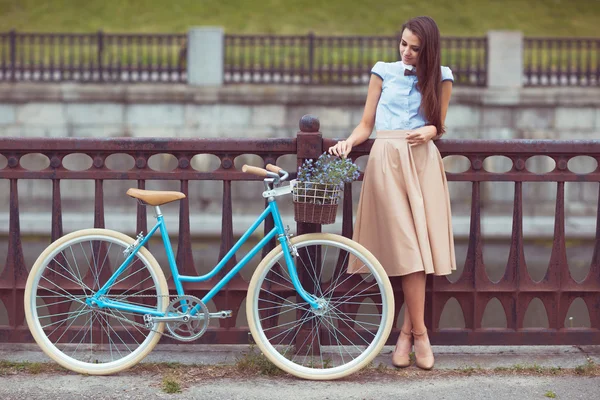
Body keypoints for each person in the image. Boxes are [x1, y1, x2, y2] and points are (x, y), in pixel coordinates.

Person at [328, 16, 456, 370]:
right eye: (403, 44)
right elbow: (367, 123)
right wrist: (349, 142)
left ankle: (406, 334)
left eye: (415, 48)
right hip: (385, 161)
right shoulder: (383, 71)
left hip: (421, 162)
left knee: (417, 249)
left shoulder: (441, 76)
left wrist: (430, 131)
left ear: (428, 48)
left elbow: (439, 124)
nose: (407, 52)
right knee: (408, 249)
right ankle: (421, 333)